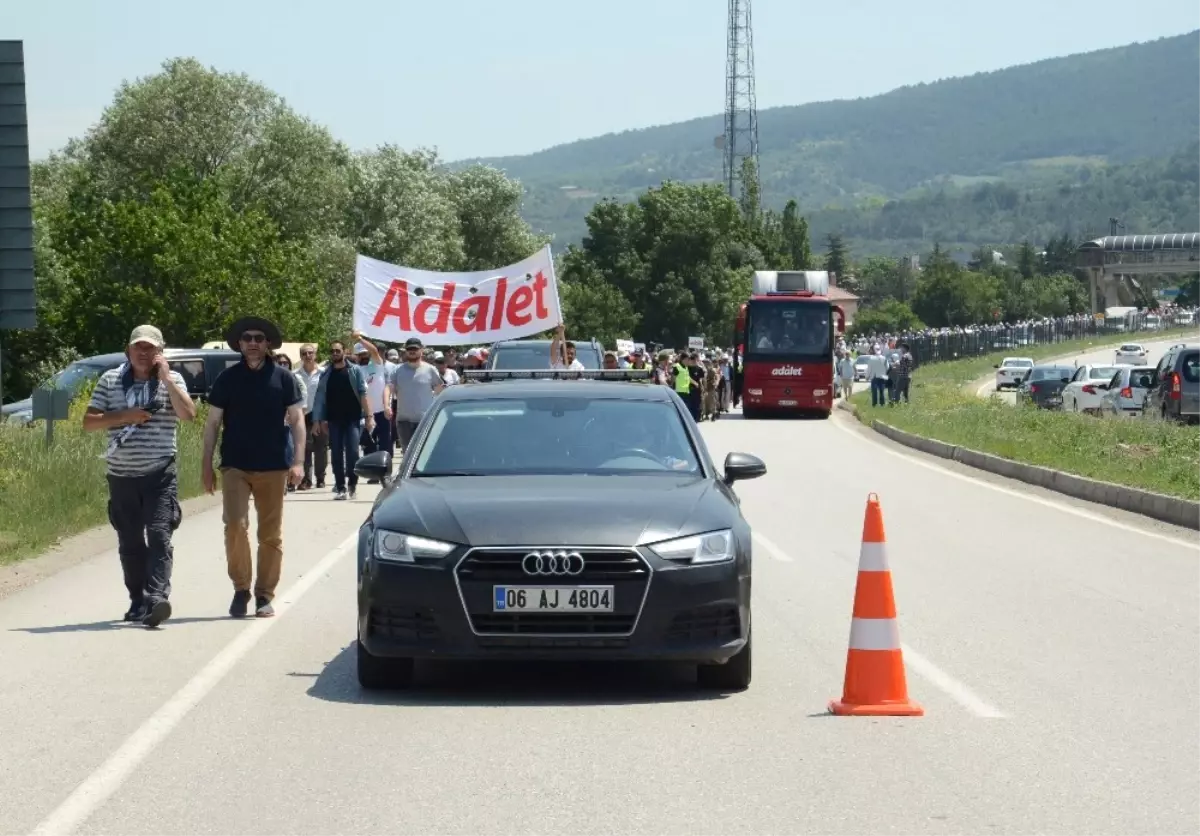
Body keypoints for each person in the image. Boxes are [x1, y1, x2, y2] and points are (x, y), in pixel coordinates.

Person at [83, 325, 196, 628]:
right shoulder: (110, 380)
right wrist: (125, 416)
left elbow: (188, 414)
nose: (144, 353)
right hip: (121, 476)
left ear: (161, 352)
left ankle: (157, 597)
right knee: (130, 542)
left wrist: (167, 379)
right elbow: (90, 422)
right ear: (128, 350)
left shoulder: (173, 379)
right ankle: (138, 600)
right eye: (138, 348)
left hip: (159, 473)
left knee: (160, 536)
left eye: (151, 348)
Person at [202, 316, 305, 619]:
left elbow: (298, 420)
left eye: (259, 338)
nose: (253, 343)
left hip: (273, 465)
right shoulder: (227, 379)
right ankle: (241, 588)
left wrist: (298, 462)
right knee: (235, 525)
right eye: (247, 338)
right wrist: (205, 465)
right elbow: (211, 424)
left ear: (268, 343)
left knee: (270, 534)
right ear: (240, 343)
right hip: (236, 464)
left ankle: (264, 594)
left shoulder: (284, 378)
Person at [311, 339, 372, 500]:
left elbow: (363, 394)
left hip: (352, 419)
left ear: (344, 352)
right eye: (332, 351)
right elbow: (320, 399)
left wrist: (369, 416)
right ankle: (340, 487)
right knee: (336, 455)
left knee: (352, 453)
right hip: (333, 420)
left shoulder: (355, 371)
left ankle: (352, 483)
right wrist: (318, 420)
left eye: (338, 350)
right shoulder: (326, 374)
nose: (335, 353)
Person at [392, 336, 445, 454]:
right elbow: (389, 387)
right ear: (405, 351)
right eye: (409, 349)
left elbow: (440, 389)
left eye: (415, 349)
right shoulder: (397, 370)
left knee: (424, 453)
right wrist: (386, 405)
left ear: (421, 350)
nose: (412, 351)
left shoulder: (430, 369)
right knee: (408, 454)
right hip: (403, 421)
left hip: (424, 420)